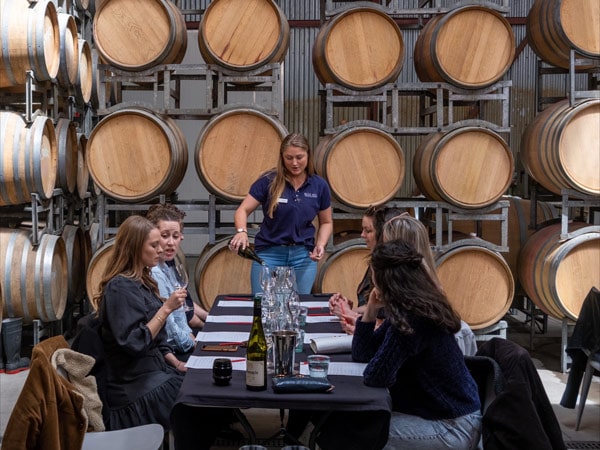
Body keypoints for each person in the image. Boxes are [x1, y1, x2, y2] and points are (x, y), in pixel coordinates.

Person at [318, 239, 482, 450]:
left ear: (385, 279)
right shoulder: (407, 308)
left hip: (453, 425)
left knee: (353, 434)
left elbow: (376, 377)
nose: (371, 280)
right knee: (346, 425)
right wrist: (371, 310)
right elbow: (362, 354)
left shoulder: (414, 319)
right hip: (442, 414)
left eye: (373, 274)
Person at [89, 215, 187, 430]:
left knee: (203, 390)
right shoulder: (120, 288)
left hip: (154, 371)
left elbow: (159, 341)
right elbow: (135, 343)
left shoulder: (142, 281)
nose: (160, 250)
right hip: (132, 385)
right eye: (154, 245)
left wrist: (177, 363)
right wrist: (166, 309)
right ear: (134, 248)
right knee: (195, 405)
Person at [230, 133, 333, 294]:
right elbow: (242, 210)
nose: (294, 163)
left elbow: (326, 222)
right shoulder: (268, 181)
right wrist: (241, 232)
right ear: (282, 157)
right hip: (268, 254)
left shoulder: (319, 185)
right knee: (263, 306)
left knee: (297, 307)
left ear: (308, 155)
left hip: (303, 256)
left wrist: (320, 244)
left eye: (300, 157)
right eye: (289, 158)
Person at [328, 206, 406, 333]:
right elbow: (376, 305)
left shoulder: (397, 271)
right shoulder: (376, 263)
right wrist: (347, 309)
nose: (362, 235)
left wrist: (352, 315)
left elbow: (394, 323)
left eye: (368, 231)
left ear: (384, 235)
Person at [146, 203, 208, 356]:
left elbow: (180, 315)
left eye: (175, 236)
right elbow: (170, 326)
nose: (171, 243)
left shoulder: (166, 267)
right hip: (170, 351)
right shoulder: (155, 273)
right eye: (164, 236)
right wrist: (194, 343)